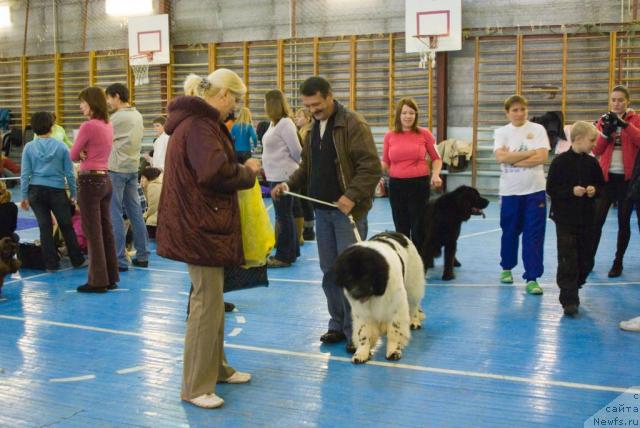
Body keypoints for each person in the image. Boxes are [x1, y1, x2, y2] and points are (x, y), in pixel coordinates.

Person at [156, 69, 261, 409]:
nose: (235, 106)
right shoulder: (200, 126)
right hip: (200, 225)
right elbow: (213, 171)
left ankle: (216, 369)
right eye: (235, 98)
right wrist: (248, 172)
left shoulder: (198, 123)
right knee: (205, 305)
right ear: (223, 95)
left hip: (201, 223)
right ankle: (195, 386)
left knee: (213, 302)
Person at [271, 76, 381, 352]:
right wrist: (289, 183)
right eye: (309, 106)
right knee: (329, 272)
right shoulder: (311, 128)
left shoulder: (353, 124)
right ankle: (338, 325)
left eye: (317, 104)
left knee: (352, 274)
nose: (313, 110)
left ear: (330, 96)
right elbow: (307, 167)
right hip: (322, 212)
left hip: (347, 214)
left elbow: (371, 167)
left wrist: (351, 196)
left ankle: (357, 331)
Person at [546, 121, 604, 317]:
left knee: (586, 258)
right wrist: (571, 191)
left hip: (587, 218)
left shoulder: (592, 162)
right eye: (592, 140)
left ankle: (576, 283)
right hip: (565, 219)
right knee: (567, 258)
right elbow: (551, 189)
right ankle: (569, 298)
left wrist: (594, 190)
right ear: (578, 139)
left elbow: (601, 186)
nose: (595, 144)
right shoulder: (560, 162)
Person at [494, 95, 550, 295]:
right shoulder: (502, 132)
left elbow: (542, 156)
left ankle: (532, 277)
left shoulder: (538, 130)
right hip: (510, 192)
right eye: (515, 110)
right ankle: (507, 267)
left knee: (534, 235)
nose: (519, 113)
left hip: (535, 191)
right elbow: (500, 157)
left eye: (522, 110)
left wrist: (513, 159)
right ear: (507, 112)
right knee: (509, 231)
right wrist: (529, 154)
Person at [19, 112, 85, 272]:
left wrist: (23, 196)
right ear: (51, 127)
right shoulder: (61, 146)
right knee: (66, 226)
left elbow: (25, 173)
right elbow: (69, 173)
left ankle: (50, 264)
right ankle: (77, 260)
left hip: (35, 191)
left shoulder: (29, 147)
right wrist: (74, 194)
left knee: (44, 227)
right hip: (56, 190)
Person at [70, 87, 119, 292]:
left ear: (91, 103)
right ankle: (111, 276)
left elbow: (73, 154)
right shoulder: (107, 125)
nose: (81, 106)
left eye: (83, 102)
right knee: (105, 229)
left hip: (89, 181)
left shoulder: (88, 126)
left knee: (93, 232)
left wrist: (81, 151)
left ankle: (97, 280)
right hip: (105, 179)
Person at [382, 98, 443, 249]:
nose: (408, 116)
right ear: (398, 115)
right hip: (396, 185)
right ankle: (404, 259)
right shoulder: (389, 136)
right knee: (400, 226)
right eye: (404, 113)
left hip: (419, 185)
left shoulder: (425, 134)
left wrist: (435, 174)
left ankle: (420, 261)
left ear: (416, 115)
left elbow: (436, 159)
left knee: (418, 226)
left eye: (411, 113)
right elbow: (385, 163)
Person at [593, 85, 640, 278]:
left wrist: (625, 125)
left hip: (628, 180)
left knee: (623, 223)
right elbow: (596, 150)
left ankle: (618, 261)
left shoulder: (636, 120)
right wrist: (606, 132)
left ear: (627, 101)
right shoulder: (604, 120)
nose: (617, 103)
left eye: (620, 100)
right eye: (613, 100)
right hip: (606, 179)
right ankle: (588, 259)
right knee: (596, 222)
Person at [104, 83, 150, 272]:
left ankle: (120, 260)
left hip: (116, 168)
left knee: (114, 213)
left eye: (108, 98)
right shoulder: (137, 115)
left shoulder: (116, 118)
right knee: (136, 213)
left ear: (116, 96)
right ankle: (143, 255)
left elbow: (103, 138)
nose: (107, 102)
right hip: (132, 167)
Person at [262, 89, 302, 268]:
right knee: (286, 215)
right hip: (274, 175)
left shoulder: (285, 124)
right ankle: (291, 252)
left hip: (283, 177)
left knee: (283, 216)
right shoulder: (274, 124)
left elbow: (296, 151)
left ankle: (284, 256)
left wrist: (291, 172)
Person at [294, 107, 316, 241]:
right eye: (296, 116)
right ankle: (306, 228)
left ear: (308, 119)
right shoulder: (301, 131)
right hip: (303, 168)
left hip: (308, 170)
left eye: (300, 116)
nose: (297, 118)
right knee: (303, 199)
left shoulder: (308, 132)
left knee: (306, 200)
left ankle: (309, 229)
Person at [140, 166, 162, 239]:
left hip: (155, 221)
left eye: (143, 178)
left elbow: (153, 207)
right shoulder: (155, 185)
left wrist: (145, 216)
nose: (141, 180)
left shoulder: (153, 186)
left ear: (149, 177)